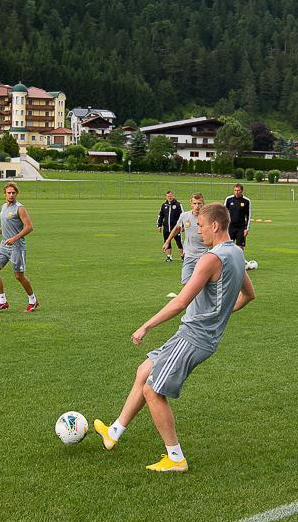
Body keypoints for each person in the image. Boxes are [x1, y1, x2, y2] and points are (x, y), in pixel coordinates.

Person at [94, 202, 255, 473]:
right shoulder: (238, 253)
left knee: (153, 390)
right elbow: (249, 295)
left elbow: (180, 302)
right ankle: (114, 432)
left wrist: (145, 326)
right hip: (197, 336)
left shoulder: (211, 259)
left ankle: (176, 458)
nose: (198, 231)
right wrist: (219, 315)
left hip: (194, 337)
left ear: (215, 225)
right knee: (144, 371)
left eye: (201, 226)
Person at [0, 182, 36, 313]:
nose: (11, 195)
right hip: (4, 246)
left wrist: (15, 238)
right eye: (8, 192)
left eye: (13, 193)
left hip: (17, 247)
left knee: (19, 276)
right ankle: (2, 302)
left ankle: (33, 301)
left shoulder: (20, 208)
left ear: (17, 194)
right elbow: (7, 223)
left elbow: (29, 227)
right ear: (4, 194)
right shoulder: (3, 206)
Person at [164, 192, 211, 283]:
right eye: (194, 203)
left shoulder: (208, 218)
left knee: (202, 284)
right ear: (191, 204)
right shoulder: (184, 216)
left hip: (204, 255)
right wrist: (167, 241)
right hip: (189, 255)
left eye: (199, 203)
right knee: (185, 282)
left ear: (203, 204)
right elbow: (177, 228)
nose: (197, 206)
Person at [157, 190, 183, 262]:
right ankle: (169, 256)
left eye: (171, 196)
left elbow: (182, 215)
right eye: (168, 196)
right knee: (167, 242)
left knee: (179, 242)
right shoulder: (164, 205)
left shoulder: (178, 204)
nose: (170, 197)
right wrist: (159, 225)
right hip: (166, 228)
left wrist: (182, 225)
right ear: (166, 197)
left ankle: (182, 256)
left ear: (173, 196)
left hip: (176, 228)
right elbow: (161, 215)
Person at [224, 183, 251, 250]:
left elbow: (248, 215)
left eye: (238, 190)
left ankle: (240, 257)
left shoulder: (246, 201)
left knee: (240, 247)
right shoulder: (229, 199)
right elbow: (224, 213)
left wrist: (246, 229)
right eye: (235, 190)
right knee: (228, 247)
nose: (236, 192)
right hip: (230, 227)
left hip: (241, 228)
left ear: (242, 191)